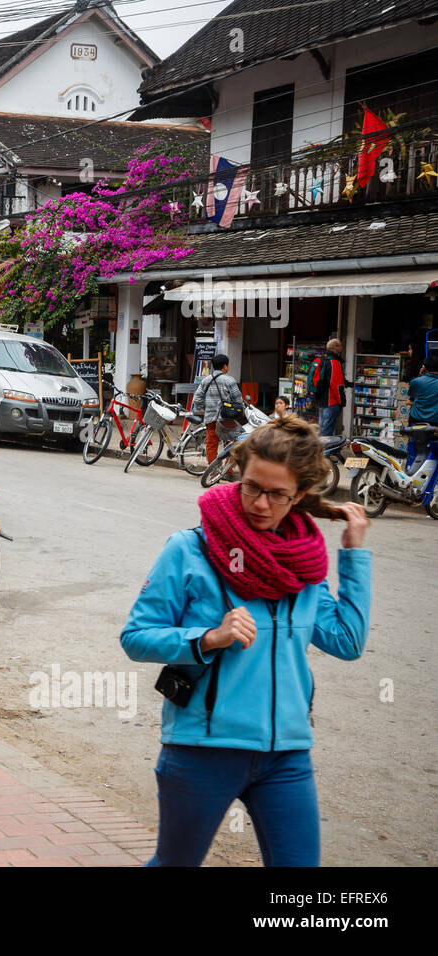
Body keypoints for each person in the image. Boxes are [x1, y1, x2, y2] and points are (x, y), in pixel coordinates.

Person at [121, 417, 370, 867]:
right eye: (252, 487)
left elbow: (347, 640)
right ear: (236, 473)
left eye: (278, 495)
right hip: (203, 750)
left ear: (299, 497)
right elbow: (137, 637)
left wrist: (353, 555)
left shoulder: (303, 566)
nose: (260, 503)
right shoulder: (189, 549)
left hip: (287, 755)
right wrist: (209, 637)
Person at [192, 353, 246, 463]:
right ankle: (228, 472)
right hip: (226, 418)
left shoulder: (206, 380)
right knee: (230, 444)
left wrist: (205, 408)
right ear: (225, 366)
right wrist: (242, 411)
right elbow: (238, 400)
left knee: (211, 444)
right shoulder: (230, 380)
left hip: (210, 418)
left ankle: (212, 473)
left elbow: (197, 399)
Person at [311, 338, 352, 437]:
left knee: (322, 429)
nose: (342, 347)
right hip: (331, 401)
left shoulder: (323, 360)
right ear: (336, 348)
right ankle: (325, 451)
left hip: (321, 401)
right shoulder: (334, 362)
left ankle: (321, 450)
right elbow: (336, 384)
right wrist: (341, 401)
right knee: (327, 432)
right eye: (340, 345)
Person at [403, 352, 438, 469]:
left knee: (414, 448)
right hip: (435, 425)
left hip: (416, 423)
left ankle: (410, 472)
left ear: (424, 368)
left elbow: (412, 395)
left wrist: (420, 375)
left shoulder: (416, 382)